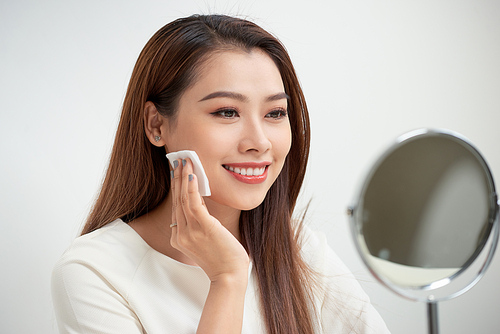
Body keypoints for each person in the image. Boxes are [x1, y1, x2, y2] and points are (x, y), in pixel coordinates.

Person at [51, 14, 390, 334]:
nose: (259, 142)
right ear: (157, 125)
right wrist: (228, 278)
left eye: (275, 113)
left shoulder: (299, 248)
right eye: (227, 112)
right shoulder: (94, 272)